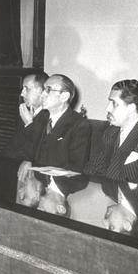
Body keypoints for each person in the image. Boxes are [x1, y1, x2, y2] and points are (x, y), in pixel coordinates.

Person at [84, 79, 138, 232]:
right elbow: (93, 168)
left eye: (114, 104)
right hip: (113, 198)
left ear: (131, 108)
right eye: (109, 102)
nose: (107, 108)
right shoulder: (111, 131)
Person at [16, 74, 91, 215]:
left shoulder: (79, 124)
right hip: (40, 183)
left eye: (48, 90)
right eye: (43, 89)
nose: (43, 94)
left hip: (58, 186)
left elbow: (75, 168)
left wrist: (50, 187)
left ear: (64, 97)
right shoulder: (42, 118)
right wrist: (29, 126)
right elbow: (30, 152)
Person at [3, 72, 49, 159]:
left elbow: (39, 153)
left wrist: (29, 124)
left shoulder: (49, 117)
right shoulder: (26, 112)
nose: (22, 94)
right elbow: (12, 147)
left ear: (41, 91)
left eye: (27, 89)